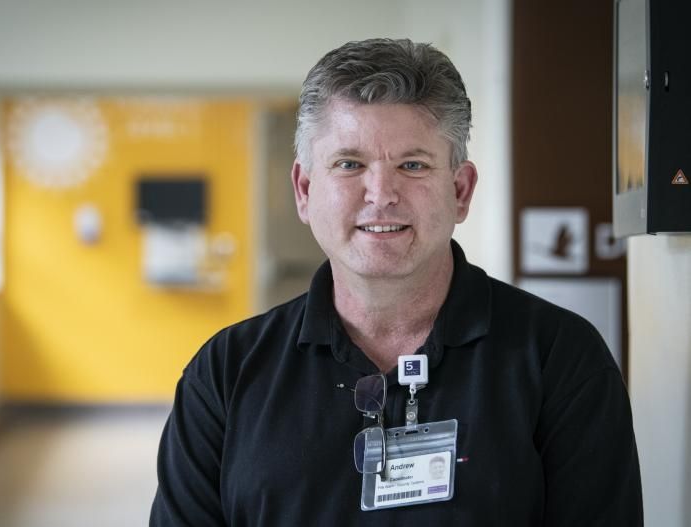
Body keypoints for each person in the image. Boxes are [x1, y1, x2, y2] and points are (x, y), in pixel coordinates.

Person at [150, 38, 642, 526]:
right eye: (349, 164)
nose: (381, 194)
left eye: (413, 165)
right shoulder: (226, 374)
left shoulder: (559, 359)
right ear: (304, 190)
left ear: (460, 190)